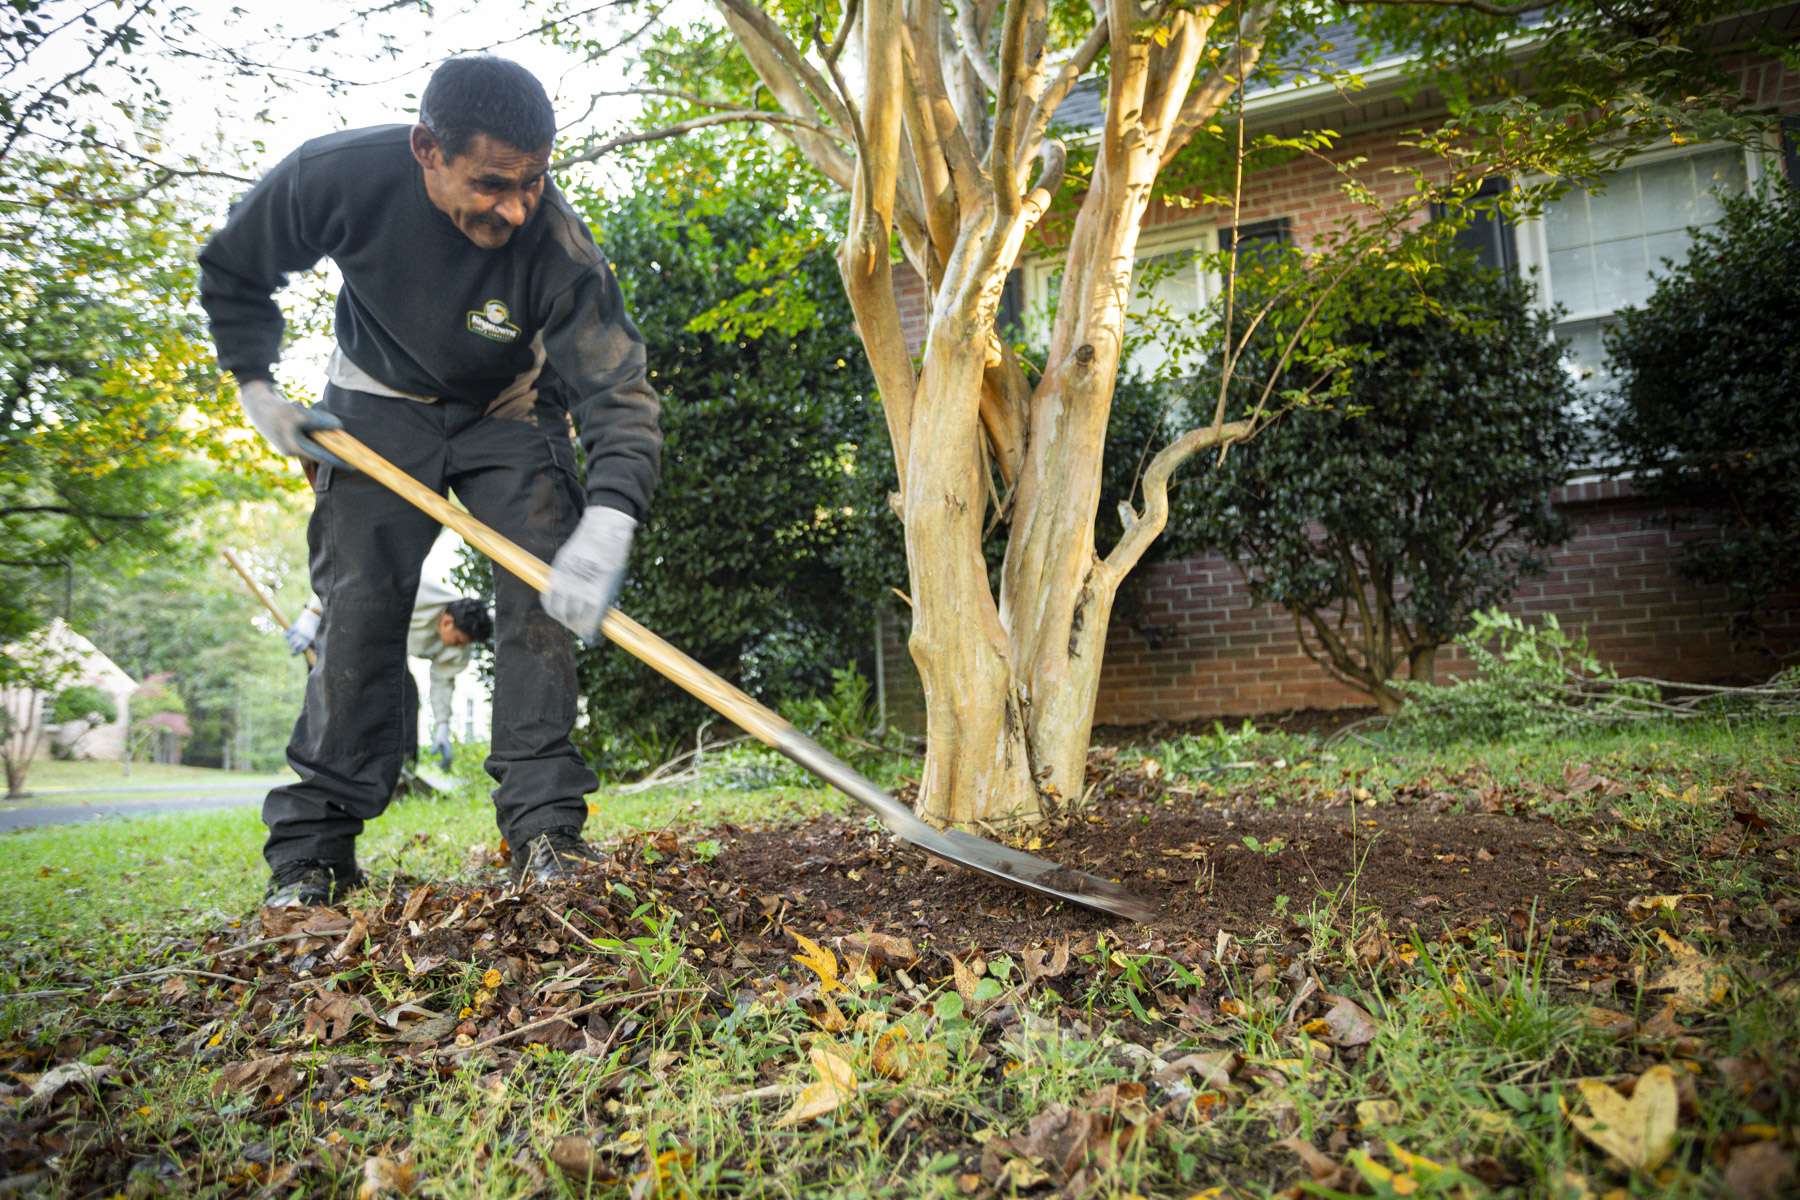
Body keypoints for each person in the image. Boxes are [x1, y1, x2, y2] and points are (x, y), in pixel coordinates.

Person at [199, 56, 662, 908]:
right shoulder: (334, 177)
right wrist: (256, 386)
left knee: (539, 605)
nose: (515, 207)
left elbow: (617, 387)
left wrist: (610, 514)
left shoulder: (556, 243)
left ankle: (545, 833)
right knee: (360, 611)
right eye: (492, 183)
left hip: (510, 412)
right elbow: (235, 265)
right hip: (375, 409)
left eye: (532, 183)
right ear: (425, 149)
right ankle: (313, 854)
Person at [284, 578, 494, 771]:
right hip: (344, 622)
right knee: (332, 695)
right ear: (447, 621)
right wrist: (311, 615)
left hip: (386, 647)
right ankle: (322, 759)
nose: (458, 648)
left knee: (406, 695)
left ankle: (403, 769)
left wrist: (442, 726)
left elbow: (442, 683)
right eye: (457, 641)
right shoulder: (415, 591)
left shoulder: (459, 648)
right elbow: (349, 575)